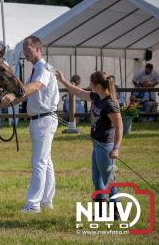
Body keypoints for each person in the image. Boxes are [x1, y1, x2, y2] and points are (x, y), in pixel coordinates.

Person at [0, 35, 59, 213]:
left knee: (39, 163)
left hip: (44, 119)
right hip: (39, 119)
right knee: (45, 162)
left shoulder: (43, 69)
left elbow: (34, 87)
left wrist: (14, 94)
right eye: (24, 48)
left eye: (28, 48)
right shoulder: (35, 69)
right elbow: (23, 95)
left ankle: (33, 205)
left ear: (37, 49)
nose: (24, 52)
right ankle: (46, 201)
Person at [56, 70, 123, 219]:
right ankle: (100, 212)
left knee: (109, 179)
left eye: (91, 83)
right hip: (96, 144)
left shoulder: (109, 104)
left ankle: (116, 213)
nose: (89, 85)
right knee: (96, 179)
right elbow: (78, 92)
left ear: (97, 85)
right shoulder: (96, 97)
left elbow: (119, 126)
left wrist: (116, 148)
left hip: (106, 146)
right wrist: (63, 80)